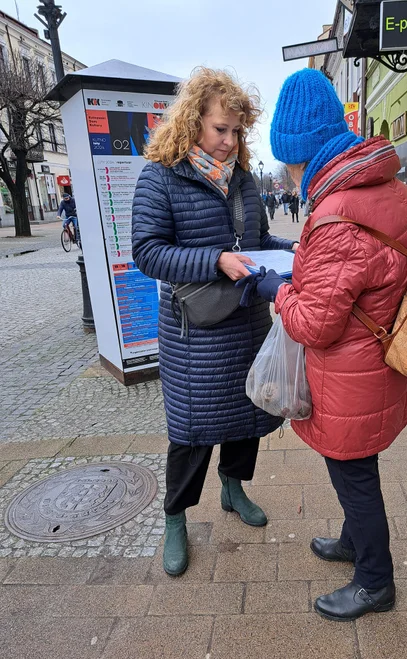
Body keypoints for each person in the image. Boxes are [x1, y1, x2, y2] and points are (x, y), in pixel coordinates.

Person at [246, 68, 407, 621]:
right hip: (382, 363)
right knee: (358, 468)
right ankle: (353, 542)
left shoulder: (335, 216)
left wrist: (276, 289)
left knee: (355, 475)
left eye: (290, 162)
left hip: (351, 376)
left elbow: (313, 325)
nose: (289, 173)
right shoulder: (392, 191)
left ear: (307, 153)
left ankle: (376, 580)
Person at [131, 68, 298, 577]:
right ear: (193, 122)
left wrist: (295, 250)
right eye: (219, 129)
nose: (228, 142)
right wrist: (215, 261)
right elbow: (147, 252)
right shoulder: (160, 176)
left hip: (245, 323)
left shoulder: (245, 180)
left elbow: (258, 244)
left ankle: (233, 487)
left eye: (236, 132)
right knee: (191, 431)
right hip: (195, 334)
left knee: (246, 416)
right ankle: (176, 519)